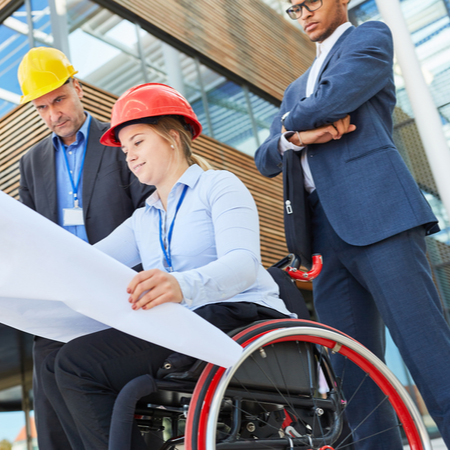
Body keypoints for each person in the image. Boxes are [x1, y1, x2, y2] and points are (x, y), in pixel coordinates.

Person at [42, 82, 294, 450]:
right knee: (52, 364)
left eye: (138, 142)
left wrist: (182, 285)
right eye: (126, 149)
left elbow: (244, 265)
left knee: (76, 365)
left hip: (237, 319)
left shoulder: (218, 186)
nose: (129, 156)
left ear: (173, 138)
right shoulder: (144, 217)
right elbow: (87, 263)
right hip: (184, 326)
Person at [254, 0, 450, 447]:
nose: (302, 14)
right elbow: (264, 157)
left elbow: (336, 99)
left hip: (379, 217)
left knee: (429, 354)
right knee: (353, 375)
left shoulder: (370, 37)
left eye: (311, 3)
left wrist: (290, 129)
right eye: (293, 9)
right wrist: (298, 133)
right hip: (322, 236)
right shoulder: (294, 88)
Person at [16, 47, 153, 450]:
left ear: (77, 88)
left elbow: (147, 211)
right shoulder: (32, 162)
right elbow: (30, 233)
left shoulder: (119, 142)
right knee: (50, 390)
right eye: (42, 107)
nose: (53, 114)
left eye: (58, 99)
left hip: (120, 292)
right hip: (65, 300)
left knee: (108, 399)